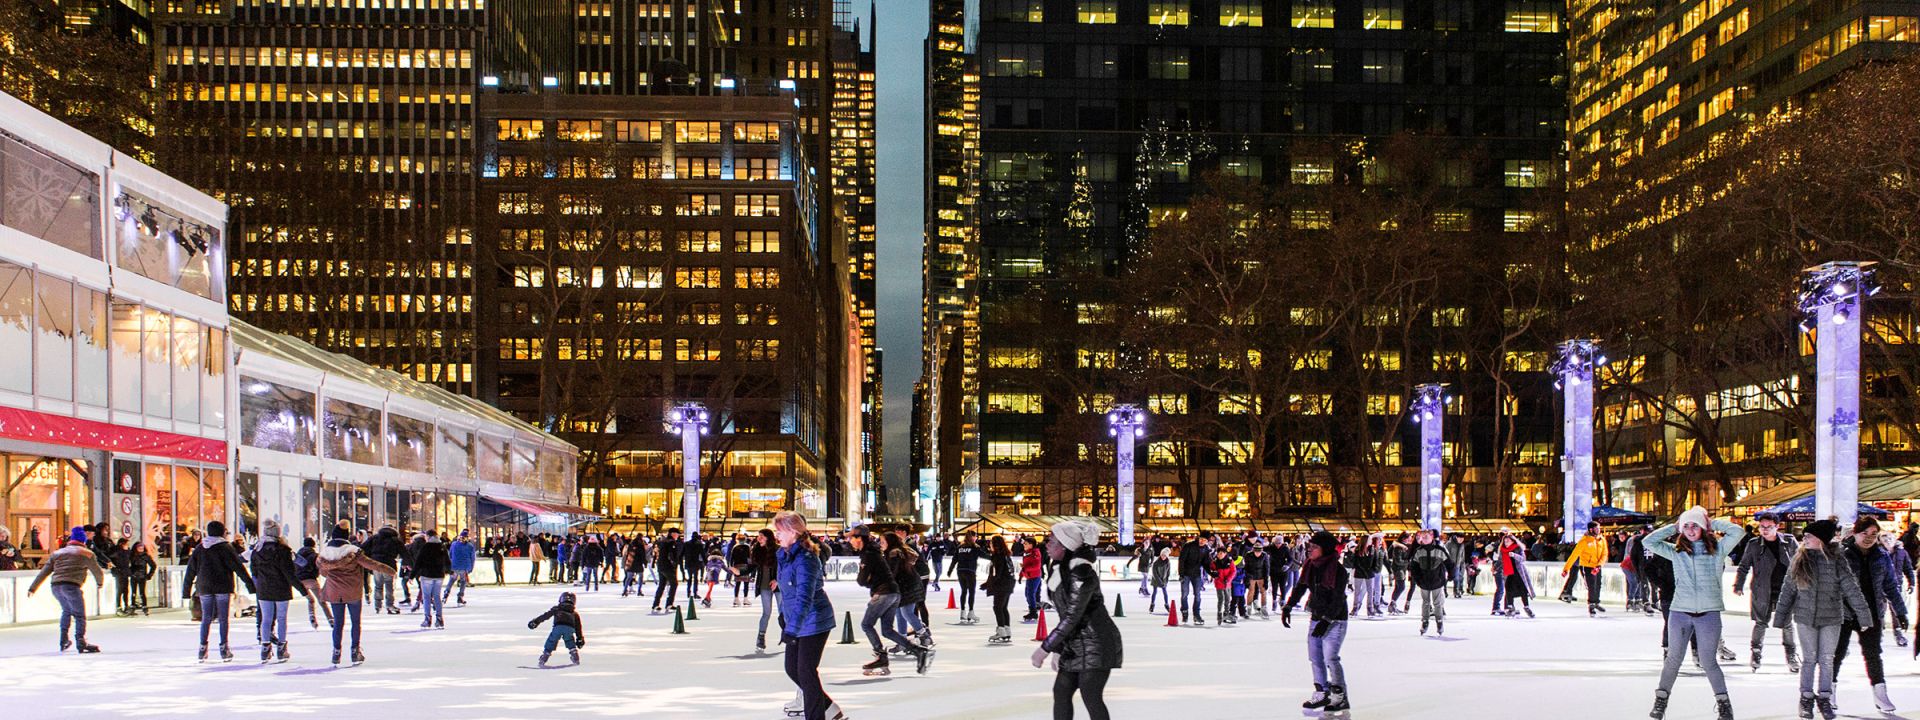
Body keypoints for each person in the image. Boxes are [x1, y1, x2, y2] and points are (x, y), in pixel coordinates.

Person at [1645, 506, 1745, 720]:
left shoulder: (1717, 549)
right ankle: (1661, 701)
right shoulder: (1676, 551)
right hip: (1680, 612)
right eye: (1686, 526)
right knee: (1673, 659)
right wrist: (1674, 526)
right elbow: (1649, 542)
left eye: (1695, 525)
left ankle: (1724, 705)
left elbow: (1738, 532)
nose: (1690, 530)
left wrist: (1711, 522)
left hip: (1709, 613)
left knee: (1709, 661)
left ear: (1703, 527)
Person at [1770, 519, 1868, 720]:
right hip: (1805, 617)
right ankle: (1806, 697)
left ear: (1821, 540)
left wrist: (1863, 615)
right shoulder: (1798, 559)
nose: (1804, 539)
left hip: (1831, 618)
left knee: (1826, 659)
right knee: (1809, 659)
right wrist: (1780, 617)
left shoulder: (1837, 561)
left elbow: (1851, 589)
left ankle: (1824, 698)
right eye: (1804, 536)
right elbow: (1788, 590)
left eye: (1809, 536)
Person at [1032, 520, 1122, 720]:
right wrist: (1058, 649)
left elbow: (1073, 615)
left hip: (1097, 642)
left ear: (1064, 547)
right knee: (1061, 692)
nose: (1046, 544)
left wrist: (1045, 648)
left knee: (1091, 694)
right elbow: (1068, 617)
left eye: (1051, 541)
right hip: (1075, 643)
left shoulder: (1081, 572)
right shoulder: (1061, 571)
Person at [772, 512, 844, 720]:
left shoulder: (806, 559)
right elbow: (788, 592)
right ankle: (829, 708)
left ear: (793, 532)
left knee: (806, 672)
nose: (777, 535)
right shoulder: (785, 556)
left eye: (780, 531)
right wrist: (784, 617)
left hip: (815, 620)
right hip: (797, 619)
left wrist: (792, 629)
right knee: (792, 669)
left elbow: (805, 597)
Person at [1836, 516, 1901, 713]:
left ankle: (1880, 694)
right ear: (1855, 533)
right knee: (1836, 654)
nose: (1869, 538)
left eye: (1874, 534)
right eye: (1865, 533)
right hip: (1845, 613)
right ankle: (1827, 692)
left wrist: (1901, 612)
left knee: (1873, 655)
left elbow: (1891, 585)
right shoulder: (1842, 555)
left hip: (1873, 612)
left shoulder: (1882, 556)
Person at [1284, 531, 1351, 715]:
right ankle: (1322, 692)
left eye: (1314, 547)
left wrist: (1327, 620)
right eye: (1309, 547)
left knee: (1331, 658)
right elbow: (1301, 587)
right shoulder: (1311, 566)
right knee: (1315, 657)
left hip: (1335, 619)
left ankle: (1340, 696)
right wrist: (1288, 606)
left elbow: (1338, 598)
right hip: (1316, 616)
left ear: (1325, 549)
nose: (1309, 550)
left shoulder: (1338, 570)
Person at [317, 520, 399, 666]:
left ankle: (336, 652)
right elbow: (371, 564)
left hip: (335, 593)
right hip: (353, 591)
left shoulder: (325, 554)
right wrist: (390, 570)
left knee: (338, 623)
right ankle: (355, 651)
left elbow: (323, 572)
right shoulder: (354, 552)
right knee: (355, 622)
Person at [850, 526, 929, 675]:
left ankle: (881, 656)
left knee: (867, 625)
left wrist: (869, 581)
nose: (849, 541)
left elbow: (861, 580)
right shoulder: (877, 553)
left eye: (852, 538)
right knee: (887, 630)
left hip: (885, 593)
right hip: (894, 593)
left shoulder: (870, 554)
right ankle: (918, 651)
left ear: (860, 539)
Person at [1734, 512, 1800, 673]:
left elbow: (1801, 562)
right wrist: (1739, 584)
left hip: (1785, 589)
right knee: (1760, 622)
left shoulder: (1789, 542)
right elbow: (1744, 565)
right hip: (1762, 589)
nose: (1764, 530)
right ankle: (1756, 653)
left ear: (1777, 527)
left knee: (1787, 624)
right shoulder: (1754, 544)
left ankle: (1791, 655)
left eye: (1769, 527)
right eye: (1762, 526)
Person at [183, 520, 257, 662]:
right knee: (223, 619)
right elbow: (238, 567)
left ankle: (202, 648)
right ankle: (224, 648)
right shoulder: (226, 547)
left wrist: (186, 591)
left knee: (206, 618)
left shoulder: (200, 548)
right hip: (223, 586)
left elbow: (190, 570)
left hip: (204, 587)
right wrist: (250, 586)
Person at [26, 527, 105, 653]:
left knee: (67, 611)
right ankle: (81, 641)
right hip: (72, 586)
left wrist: (33, 588)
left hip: (56, 586)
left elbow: (44, 572)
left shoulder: (58, 553)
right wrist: (100, 583)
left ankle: (63, 640)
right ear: (83, 540)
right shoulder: (87, 553)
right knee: (79, 614)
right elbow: (97, 571)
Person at [249, 520, 308, 663]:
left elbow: (254, 570)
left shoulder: (257, 550)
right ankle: (281, 648)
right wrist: (303, 590)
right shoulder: (283, 550)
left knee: (266, 619)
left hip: (264, 589)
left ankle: (265, 648)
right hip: (281, 589)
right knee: (281, 618)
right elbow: (289, 573)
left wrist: (259, 583)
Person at [1408, 528, 1454, 635]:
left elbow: (1449, 563)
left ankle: (1439, 621)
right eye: (1422, 537)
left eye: (1426, 537)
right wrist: (1417, 579)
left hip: (1437, 580)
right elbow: (1414, 566)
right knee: (1425, 603)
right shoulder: (1419, 551)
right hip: (1424, 581)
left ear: (1431, 537)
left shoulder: (1439, 550)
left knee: (1437, 603)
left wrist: (1451, 575)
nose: (1423, 539)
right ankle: (1425, 622)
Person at [1563, 522, 1611, 616]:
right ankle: (1591, 604)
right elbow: (1574, 555)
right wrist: (1566, 568)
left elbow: (1605, 554)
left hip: (1597, 566)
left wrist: (1599, 565)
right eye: (1596, 529)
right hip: (1587, 566)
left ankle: (1596, 602)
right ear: (1591, 529)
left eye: (1599, 528)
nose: (1598, 530)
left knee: (1598, 584)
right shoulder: (1584, 541)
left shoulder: (1602, 540)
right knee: (1591, 585)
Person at [528, 590, 586, 667]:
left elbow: (545, 616)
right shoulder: (574, 613)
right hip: (569, 628)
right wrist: (580, 638)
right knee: (569, 639)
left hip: (558, 627)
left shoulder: (557, 609)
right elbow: (578, 627)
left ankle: (545, 656)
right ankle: (574, 654)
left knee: (552, 640)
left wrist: (536, 621)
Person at [413, 529, 450, 628]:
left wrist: (412, 575)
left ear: (428, 536)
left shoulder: (426, 547)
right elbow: (447, 560)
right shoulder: (442, 547)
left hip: (427, 575)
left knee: (426, 597)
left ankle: (427, 619)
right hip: (439, 576)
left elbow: (418, 562)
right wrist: (449, 571)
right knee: (437, 597)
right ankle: (439, 619)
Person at [986, 534, 1017, 644]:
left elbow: (997, 572)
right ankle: (1007, 631)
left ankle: (1001, 631)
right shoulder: (1006, 555)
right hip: (1009, 583)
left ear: (995, 544)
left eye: (991, 543)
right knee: (1003, 607)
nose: (990, 544)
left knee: (997, 607)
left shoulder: (998, 556)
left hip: (1002, 585)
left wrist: (989, 583)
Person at [1494, 532, 1534, 618]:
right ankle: (1510, 607)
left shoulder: (1518, 548)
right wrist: (1495, 568)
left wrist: (1514, 555)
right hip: (1509, 574)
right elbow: (1500, 561)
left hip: (1519, 573)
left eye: (1508, 541)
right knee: (1509, 591)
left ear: (1513, 541)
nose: (1506, 543)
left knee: (1523, 590)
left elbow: (1523, 559)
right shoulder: (1503, 550)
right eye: (1505, 541)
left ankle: (1526, 607)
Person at [752, 528, 779, 651]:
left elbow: (784, 567)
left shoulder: (778, 550)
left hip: (778, 586)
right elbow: (752, 566)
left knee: (783, 612)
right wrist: (739, 571)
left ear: (769, 537)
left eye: (762, 536)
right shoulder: (757, 551)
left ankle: (789, 634)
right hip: (764, 586)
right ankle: (761, 637)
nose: (759, 538)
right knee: (766, 613)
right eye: (759, 536)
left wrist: (777, 580)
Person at [1177, 532, 1211, 625]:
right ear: (1198, 538)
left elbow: (1206, 563)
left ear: (1207, 541)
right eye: (1201, 539)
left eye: (1204, 540)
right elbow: (1182, 559)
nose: (1202, 541)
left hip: (1196, 574)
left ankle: (1196, 614)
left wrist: (1211, 573)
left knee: (1197, 595)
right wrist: (1181, 574)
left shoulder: (1206, 549)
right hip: (1186, 573)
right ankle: (1184, 611)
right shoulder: (1189, 545)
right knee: (1185, 594)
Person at [294, 536, 328, 627]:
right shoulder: (315, 555)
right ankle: (331, 619)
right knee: (321, 600)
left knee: (310, 600)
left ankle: (312, 616)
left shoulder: (297, 556)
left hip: (300, 582)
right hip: (311, 580)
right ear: (313, 545)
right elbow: (319, 567)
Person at [953, 532, 982, 624]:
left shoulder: (960, 547)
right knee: (971, 591)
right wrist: (994, 557)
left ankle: (962, 612)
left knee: (964, 591)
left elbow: (955, 559)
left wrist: (950, 570)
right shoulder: (975, 547)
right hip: (970, 571)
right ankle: (971, 612)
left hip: (960, 571)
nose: (976, 538)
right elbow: (983, 554)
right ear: (972, 537)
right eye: (975, 536)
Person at [651, 528, 681, 612]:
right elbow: (672, 555)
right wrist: (674, 563)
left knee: (662, 585)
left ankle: (655, 604)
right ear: (672, 534)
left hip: (661, 566)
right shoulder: (671, 542)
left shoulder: (663, 542)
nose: (677, 536)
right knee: (674, 584)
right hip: (668, 567)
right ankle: (669, 603)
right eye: (677, 534)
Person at [1209, 545, 1238, 626]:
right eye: (1218, 553)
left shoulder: (1229, 561)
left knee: (1228, 599)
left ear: (1225, 553)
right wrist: (1214, 574)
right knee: (1221, 599)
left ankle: (1226, 613)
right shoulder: (1214, 562)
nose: (1220, 554)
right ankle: (1219, 613)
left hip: (1227, 583)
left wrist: (1228, 579)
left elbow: (1233, 571)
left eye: (1222, 553)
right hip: (1219, 583)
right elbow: (1211, 570)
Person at [446, 530, 476, 605]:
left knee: (452, 580)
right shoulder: (470, 546)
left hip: (454, 566)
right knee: (463, 581)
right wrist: (471, 567)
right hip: (464, 567)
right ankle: (460, 596)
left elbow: (450, 555)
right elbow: (472, 558)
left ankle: (446, 593)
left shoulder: (454, 544)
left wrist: (450, 565)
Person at [126, 541, 155, 616]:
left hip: (142, 576)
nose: (141, 549)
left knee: (142, 592)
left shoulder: (146, 556)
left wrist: (149, 575)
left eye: (142, 548)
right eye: (139, 547)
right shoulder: (132, 556)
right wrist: (130, 573)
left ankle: (144, 606)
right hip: (134, 576)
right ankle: (132, 605)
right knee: (133, 592)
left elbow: (153, 565)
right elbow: (127, 564)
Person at [1021, 537, 1046, 623]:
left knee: (1030, 594)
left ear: (1031, 545)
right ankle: (1033, 608)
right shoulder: (1027, 552)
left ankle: (1033, 612)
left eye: (1026, 543)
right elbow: (1026, 564)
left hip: (1034, 576)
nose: (1024, 544)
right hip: (1030, 576)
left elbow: (1036, 566)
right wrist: (1023, 573)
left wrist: (1025, 569)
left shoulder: (1035, 553)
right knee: (1028, 594)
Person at [1244, 543, 1272, 618]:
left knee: (1263, 592)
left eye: (1259, 552)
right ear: (1253, 551)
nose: (1257, 553)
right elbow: (1246, 567)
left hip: (1261, 576)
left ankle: (1264, 607)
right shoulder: (1248, 555)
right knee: (1251, 591)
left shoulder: (1264, 555)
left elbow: (1267, 568)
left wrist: (1266, 580)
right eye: (1256, 552)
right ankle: (1248, 607)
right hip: (1251, 575)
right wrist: (1247, 578)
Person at [1147, 547, 1172, 613]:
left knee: (1165, 592)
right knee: (1154, 592)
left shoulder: (1168, 563)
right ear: (1160, 555)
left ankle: (1167, 605)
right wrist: (1159, 581)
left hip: (1163, 580)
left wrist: (1166, 581)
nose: (1163, 557)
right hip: (1156, 579)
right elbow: (1154, 573)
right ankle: (1152, 605)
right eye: (1162, 555)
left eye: (1165, 556)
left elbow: (1168, 572)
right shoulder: (1156, 563)